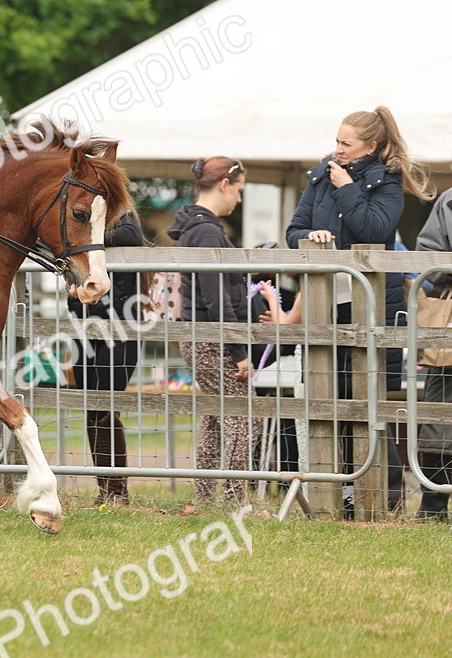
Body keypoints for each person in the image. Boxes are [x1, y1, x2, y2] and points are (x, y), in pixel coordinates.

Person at [284, 105, 433, 515]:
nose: (338, 149)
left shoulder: (386, 182)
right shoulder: (320, 176)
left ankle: (378, 498)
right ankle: (332, 495)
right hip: (325, 305)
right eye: (336, 141)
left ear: (372, 145)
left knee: (366, 403)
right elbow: (293, 229)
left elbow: (375, 231)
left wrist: (348, 186)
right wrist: (309, 236)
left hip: (370, 308)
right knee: (324, 397)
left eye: (346, 143)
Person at [167, 156, 255, 503]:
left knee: (216, 417)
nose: (240, 198)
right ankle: (234, 500)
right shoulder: (206, 232)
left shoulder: (197, 228)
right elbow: (215, 296)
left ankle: (204, 498)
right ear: (223, 185)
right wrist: (240, 352)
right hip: (211, 336)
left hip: (198, 335)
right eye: (239, 190)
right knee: (243, 415)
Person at [65, 209, 143, 506]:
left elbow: (131, 236)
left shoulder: (122, 217)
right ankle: (105, 490)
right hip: (82, 325)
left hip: (120, 326)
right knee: (91, 406)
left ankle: (117, 492)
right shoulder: (77, 219)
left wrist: (84, 235)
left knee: (108, 403)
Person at [414, 183, 452, 519]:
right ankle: (433, 506)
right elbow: (429, 258)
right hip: (449, 325)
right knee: (439, 417)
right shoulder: (449, 201)